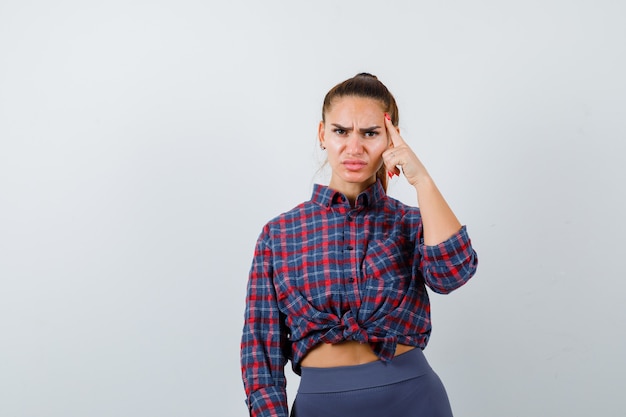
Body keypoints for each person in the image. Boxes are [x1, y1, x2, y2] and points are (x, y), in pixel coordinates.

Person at [240, 73, 478, 417]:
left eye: (370, 133)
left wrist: (421, 180)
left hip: (414, 400)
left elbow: (452, 274)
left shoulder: (411, 222)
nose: (355, 147)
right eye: (341, 131)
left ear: (390, 137)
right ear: (322, 134)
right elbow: (260, 358)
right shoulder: (279, 234)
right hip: (320, 407)